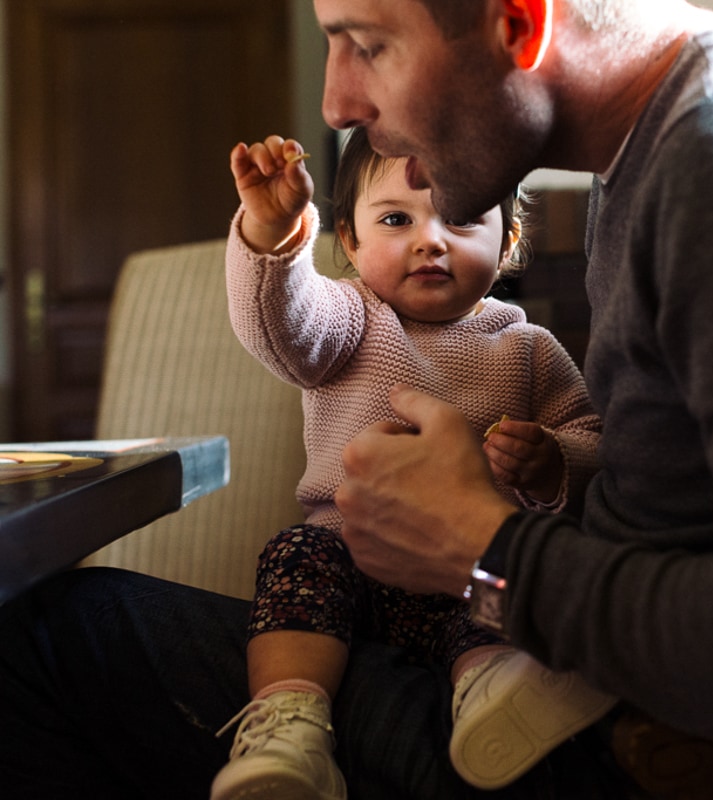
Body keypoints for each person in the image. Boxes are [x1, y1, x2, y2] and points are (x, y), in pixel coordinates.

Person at [0, 1, 713, 798]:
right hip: (577, 683)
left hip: (628, 756)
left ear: (520, 23)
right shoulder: (672, 141)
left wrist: (485, 547)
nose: (337, 99)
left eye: (367, 43)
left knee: (33, 638)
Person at [211, 126, 614, 800]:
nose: (431, 238)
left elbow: (595, 444)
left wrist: (552, 462)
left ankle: (492, 696)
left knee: (511, 589)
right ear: (351, 242)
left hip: (467, 568)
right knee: (294, 555)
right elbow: (282, 325)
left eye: (460, 217)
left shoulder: (529, 349)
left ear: (508, 240)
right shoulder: (350, 318)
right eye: (396, 219)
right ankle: (289, 724)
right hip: (348, 562)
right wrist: (273, 236)